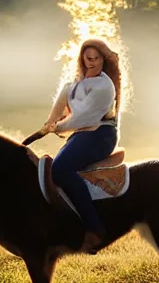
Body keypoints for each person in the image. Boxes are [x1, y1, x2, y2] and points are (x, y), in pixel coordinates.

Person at [43, 38, 122, 253]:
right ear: (82, 59)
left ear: (102, 60)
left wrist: (57, 127)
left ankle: (95, 229)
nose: (92, 62)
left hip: (100, 135)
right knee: (52, 172)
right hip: (82, 134)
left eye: (96, 59)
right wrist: (50, 122)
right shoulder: (76, 82)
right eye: (88, 59)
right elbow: (64, 100)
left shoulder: (104, 86)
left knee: (60, 169)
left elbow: (85, 117)